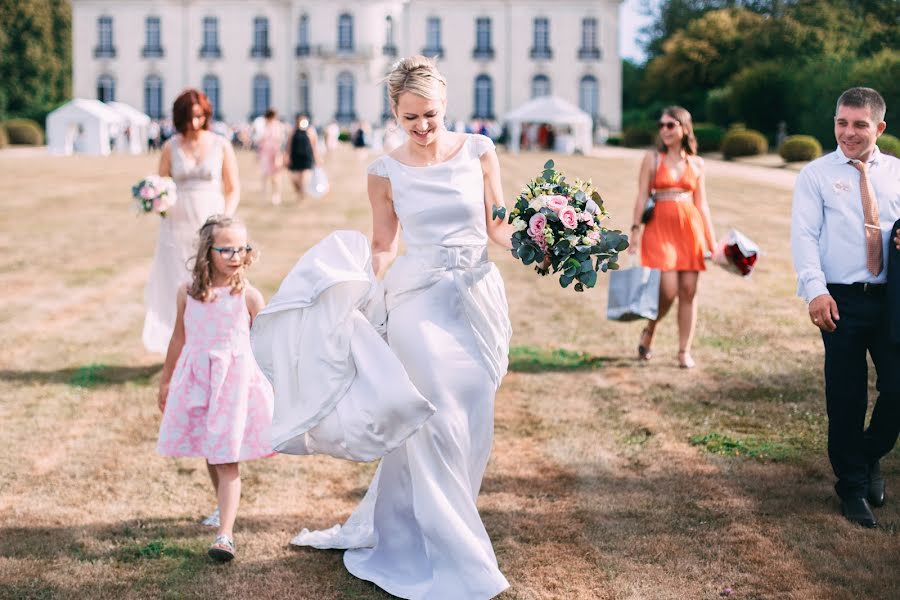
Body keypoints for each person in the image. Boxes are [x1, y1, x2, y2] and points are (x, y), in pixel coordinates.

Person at [276, 55, 514, 599]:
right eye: (410, 119)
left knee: (472, 415)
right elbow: (385, 244)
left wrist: (538, 238)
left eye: (429, 115)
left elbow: (496, 226)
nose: (423, 128)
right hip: (418, 301)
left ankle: (423, 520)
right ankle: (457, 551)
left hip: (474, 299)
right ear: (394, 113)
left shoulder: (479, 151)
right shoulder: (384, 171)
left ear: (445, 104)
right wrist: (361, 286)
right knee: (434, 416)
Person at [791, 87, 900, 528]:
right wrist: (816, 291)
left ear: (879, 128)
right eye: (841, 122)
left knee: (896, 388)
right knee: (847, 396)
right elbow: (804, 237)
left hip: (891, 298)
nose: (848, 133)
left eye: (859, 124)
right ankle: (853, 487)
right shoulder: (816, 175)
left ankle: (869, 453)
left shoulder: (897, 172)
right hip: (840, 299)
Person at [157, 215, 274, 561]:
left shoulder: (249, 297)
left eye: (241, 249)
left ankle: (225, 535)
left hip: (234, 386)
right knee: (212, 449)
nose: (235, 256)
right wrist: (166, 379)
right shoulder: (188, 294)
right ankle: (220, 507)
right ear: (208, 252)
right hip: (198, 382)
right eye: (226, 250)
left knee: (227, 460)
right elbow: (179, 338)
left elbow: (267, 346)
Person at [143, 89, 240, 353]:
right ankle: (180, 343)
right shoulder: (170, 147)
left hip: (211, 221)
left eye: (198, 117)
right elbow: (161, 183)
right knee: (178, 282)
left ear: (206, 114)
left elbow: (232, 188)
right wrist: (155, 200)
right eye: (188, 118)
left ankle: (212, 339)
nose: (194, 123)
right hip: (176, 224)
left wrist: (225, 220)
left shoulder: (221, 144)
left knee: (211, 280)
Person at [628, 106, 716, 368]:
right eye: (661, 125)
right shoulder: (652, 159)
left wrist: (713, 244)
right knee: (667, 290)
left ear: (684, 128)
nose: (664, 130)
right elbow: (642, 196)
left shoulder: (697, 163)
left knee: (688, 291)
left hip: (689, 231)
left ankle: (683, 351)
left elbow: (703, 205)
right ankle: (650, 330)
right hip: (659, 229)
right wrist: (634, 230)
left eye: (670, 125)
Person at [286, 114, 320, 201]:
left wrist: (317, 157)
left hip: (307, 157)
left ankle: (302, 195)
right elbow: (289, 145)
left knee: (304, 178)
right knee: (295, 178)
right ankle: (300, 192)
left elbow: (314, 145)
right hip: (295, 157)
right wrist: (287, 156)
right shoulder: (293, 131)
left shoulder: (310, 131)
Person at [257, 108, 286, 204]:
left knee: (276, 176)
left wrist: (278, 155)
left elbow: (279, 141)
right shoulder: (264, 126)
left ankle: (276, 196)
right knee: (265, 176)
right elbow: (260, 141)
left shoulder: (278, 126)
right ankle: (264, 197)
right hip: (266, 153)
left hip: (274, 153)